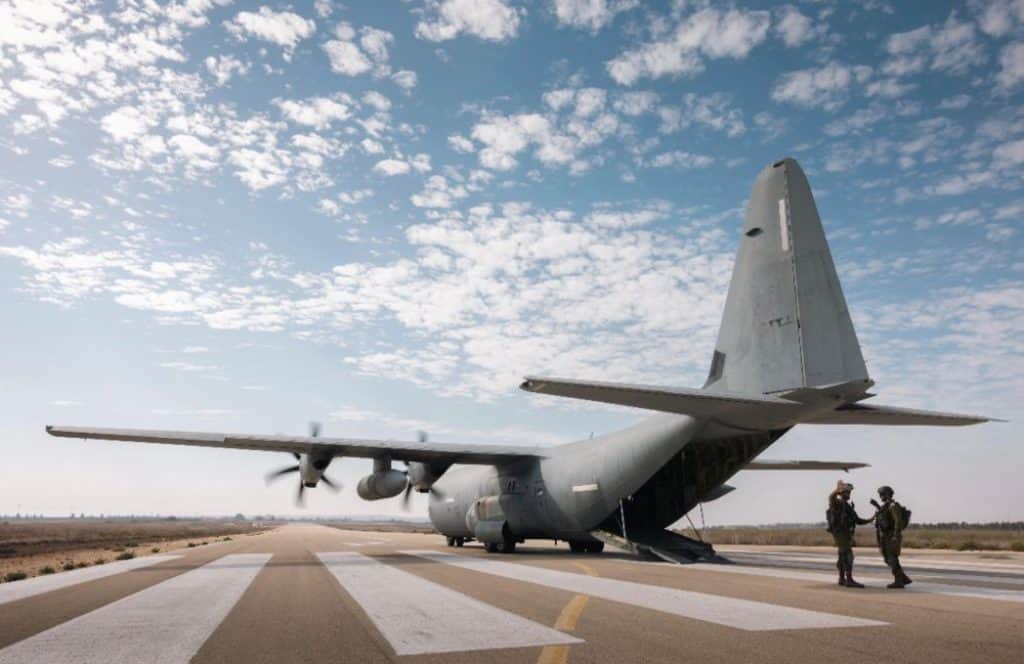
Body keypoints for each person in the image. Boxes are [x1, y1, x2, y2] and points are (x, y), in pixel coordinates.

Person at [826, 480, 874, 587]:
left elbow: (857, 520)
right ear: (841, 493)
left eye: (849, 493)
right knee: (848, 555)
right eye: (846, 493)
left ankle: (842, 578)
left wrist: (870, 519)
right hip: (840, 533)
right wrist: (837, 491)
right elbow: (831, 498)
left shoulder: (847, 506)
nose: (848, 495)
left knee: (842, 555)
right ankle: (849, 579)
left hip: (846, 534)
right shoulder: (837, 503)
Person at [871, 485, 913, 589]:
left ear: (887, 494)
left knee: (891, 557)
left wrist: (895, 535)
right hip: (886, 536)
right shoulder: (887, 506)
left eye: (882, 494)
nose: (881, 496)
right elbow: (885, 516)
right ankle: (903, 578)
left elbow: (897, 521)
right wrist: (876, 506)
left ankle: (898, 580)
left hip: (891, 535)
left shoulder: (893, 506)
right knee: (888, 558)